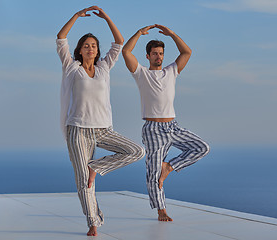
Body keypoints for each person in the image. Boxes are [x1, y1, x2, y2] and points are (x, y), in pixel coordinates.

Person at [56, 6, 145, 236]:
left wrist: (106, 18)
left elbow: (119, 41)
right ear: (80, 50)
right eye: (86, 46)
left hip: (103, 129)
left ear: (97, 50)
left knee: (136, 151)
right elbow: (61, 38)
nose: (90, 49)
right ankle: (93, 222)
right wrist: (76, 16)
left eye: (94, 46)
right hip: (78, 130)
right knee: (84, 182)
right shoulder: (72, 68)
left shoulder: (105, 67)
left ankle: (97, 167)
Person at [122, 24, 210, 222]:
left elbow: (187, 52)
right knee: (153, 172)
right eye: (154, 53)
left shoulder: (171, 71)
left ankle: (168, 167)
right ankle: (161, 210)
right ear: (148, 56)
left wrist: (171, 34)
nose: (158, 57)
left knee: (202, 148)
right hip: (153, 129)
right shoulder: (141, 73)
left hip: (173, 126)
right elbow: (126, 52)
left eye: (161, 53)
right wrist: (138, 33)